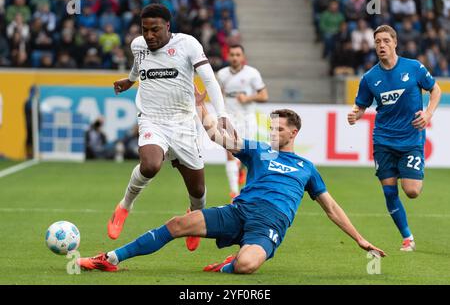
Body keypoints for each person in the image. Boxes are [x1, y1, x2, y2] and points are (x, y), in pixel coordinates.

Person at [77, 87, 386, 273]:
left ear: (293, 133)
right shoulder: (258, 150)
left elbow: (331, 207)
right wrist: (202, 109)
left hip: (269, 224)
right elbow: (218, 136)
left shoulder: (306, 167)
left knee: (247, 266)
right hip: (238, 211)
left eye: (278, 129)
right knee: (177, 224)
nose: (272, 133)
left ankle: (231, 263)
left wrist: (359, 238)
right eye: (271, 128)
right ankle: (109, 258)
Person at [109, 4, 229, 252]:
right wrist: (130, 81)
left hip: (183, 122)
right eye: (145, 30)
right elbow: (138, 64)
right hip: (152, 118)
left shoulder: (188, 45)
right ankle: (124, 206)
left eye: (155, 30)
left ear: (167, 27)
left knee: (197, 191)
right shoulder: (138, 45)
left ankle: (194, 219)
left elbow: (209, 80)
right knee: (151, 165)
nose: (149, 36)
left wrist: (222, 115)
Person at [347, 25, 442, 252]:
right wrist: (355, 114)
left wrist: (428, 113)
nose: (381, 45)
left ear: (395, 43)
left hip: (411, 141)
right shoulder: (370, 78)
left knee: (412, 191)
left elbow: (435, 90)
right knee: (390, 191)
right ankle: (407, 237)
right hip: (383, 141)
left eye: (386, 41)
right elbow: (361, 105)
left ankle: (406, 171)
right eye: (378, 41)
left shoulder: (414, 67)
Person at [216, 44, 268, 199]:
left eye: (238, 55)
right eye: (232, 54)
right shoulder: (222, 74)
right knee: (230, 153)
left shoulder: (252, 73)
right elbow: (218, 94)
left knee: (246, 155)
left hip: (247, 119)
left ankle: (241, 171)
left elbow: (264, 96)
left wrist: (248, 98)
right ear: (228, 56)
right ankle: (234, 194)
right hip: (230, 118)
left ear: (243, 57)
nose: (234, 57)